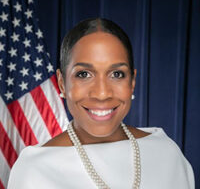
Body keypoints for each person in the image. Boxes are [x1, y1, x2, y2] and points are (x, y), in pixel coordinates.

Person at [8, 18, 194, 189]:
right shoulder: (34, 168)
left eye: (116, 74)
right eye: (84, 74)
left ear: (132, 82)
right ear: (62, 83)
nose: (102, 93)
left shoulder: (166, 154)